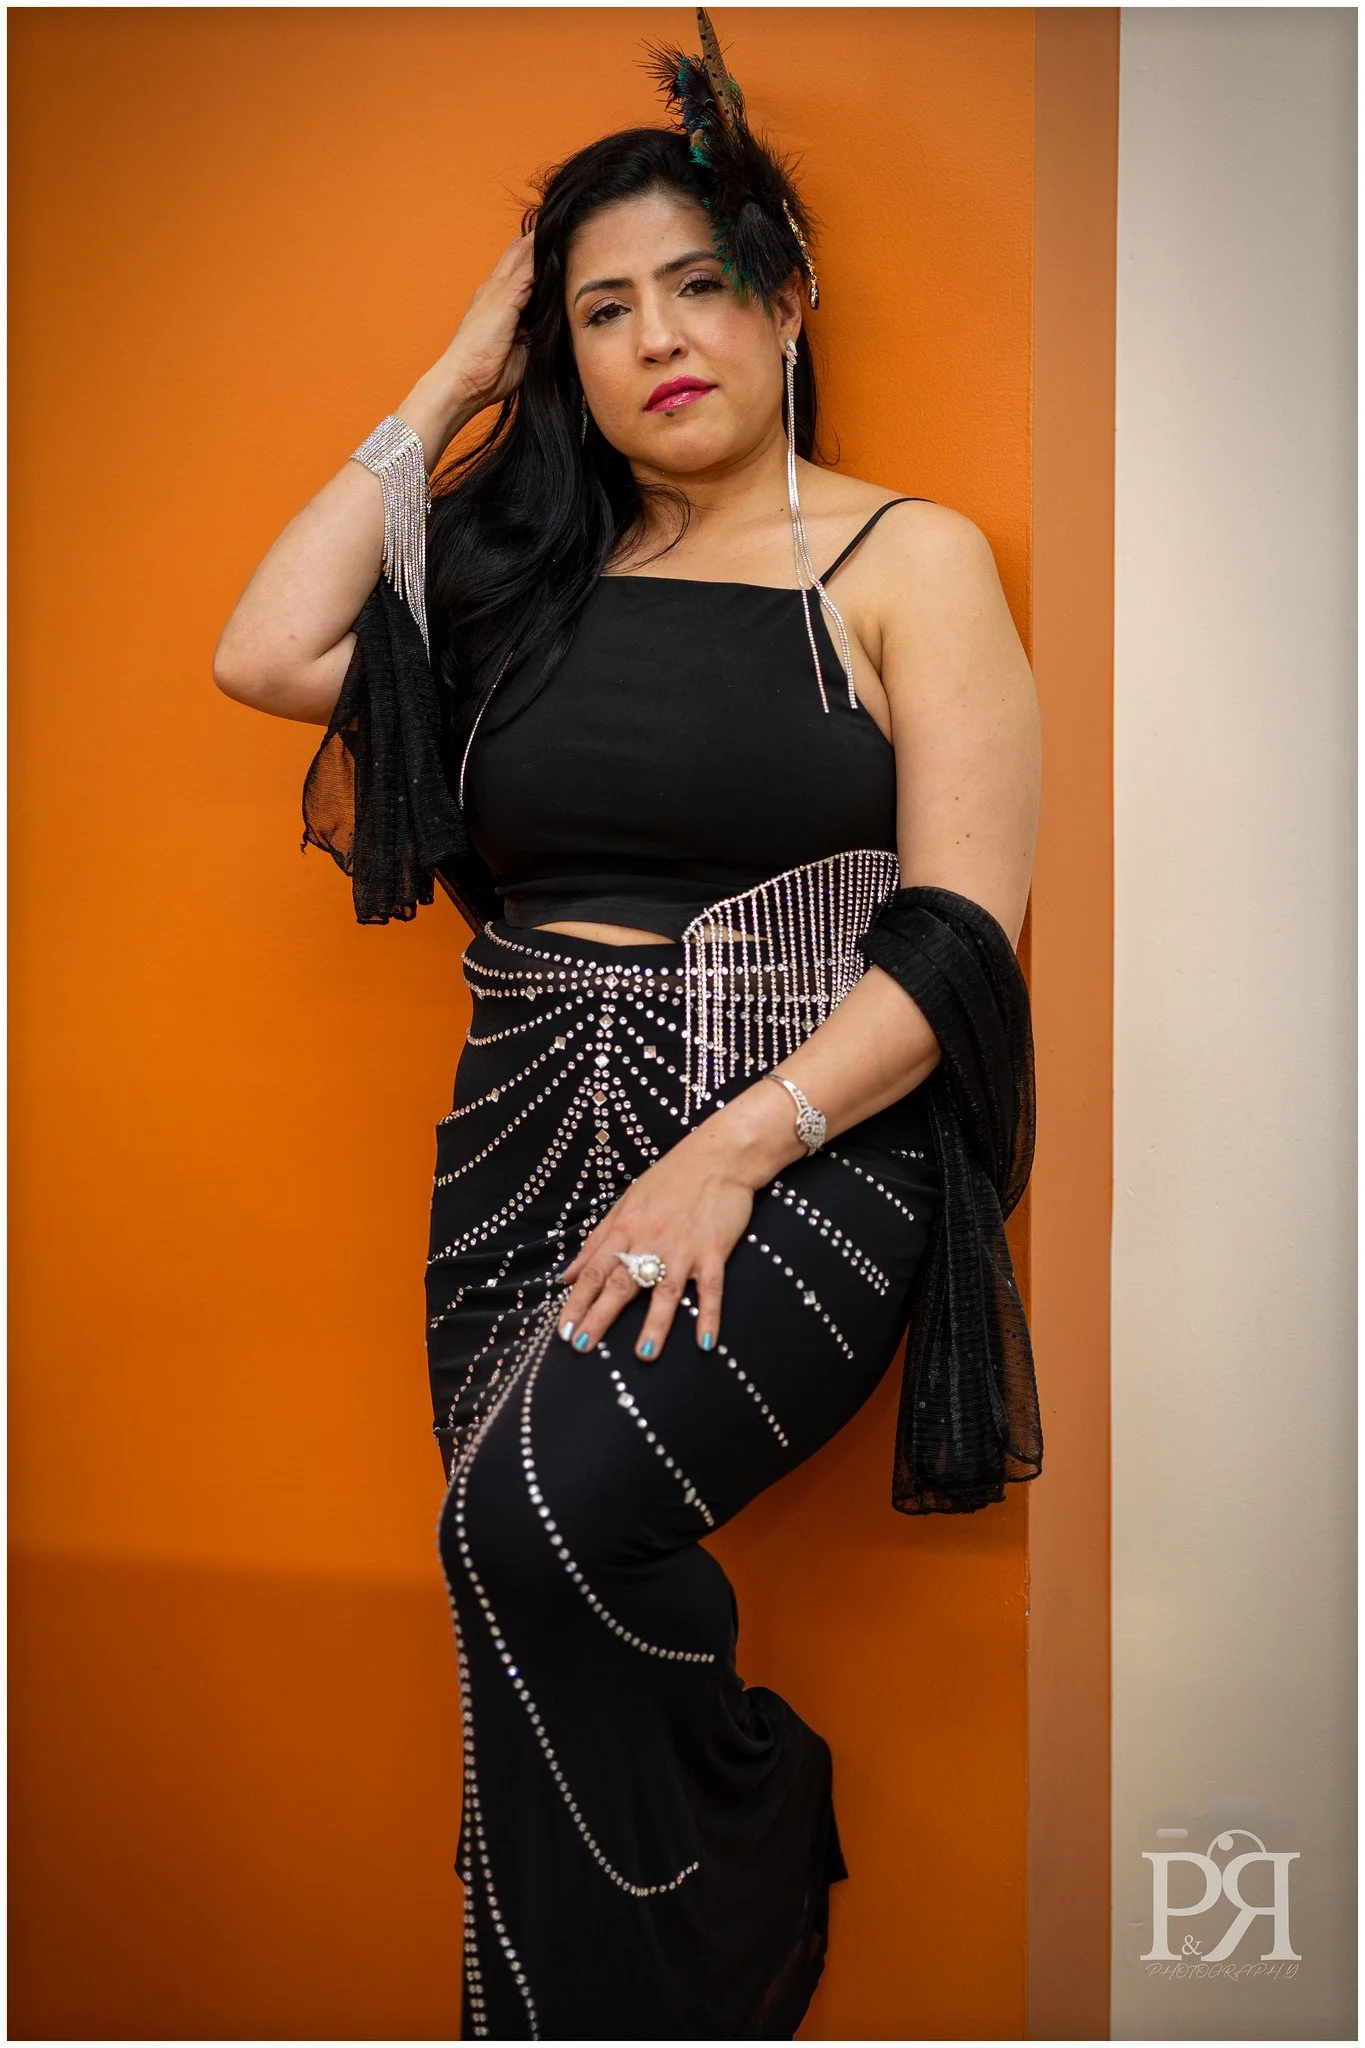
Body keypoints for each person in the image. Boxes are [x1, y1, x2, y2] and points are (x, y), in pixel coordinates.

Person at [212, 12, 1043, 2038]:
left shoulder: (905, 556)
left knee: (524, 1523)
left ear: (786, 303)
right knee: (511, 1611)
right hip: (515, 1147)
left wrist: (733, 1144)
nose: (658, 334)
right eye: (601, 307)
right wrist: (462, 363)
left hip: (805, 1148)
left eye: (699, 282)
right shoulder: (522, 586)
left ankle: (747, 1816)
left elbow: (957, 935)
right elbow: (265, 647)